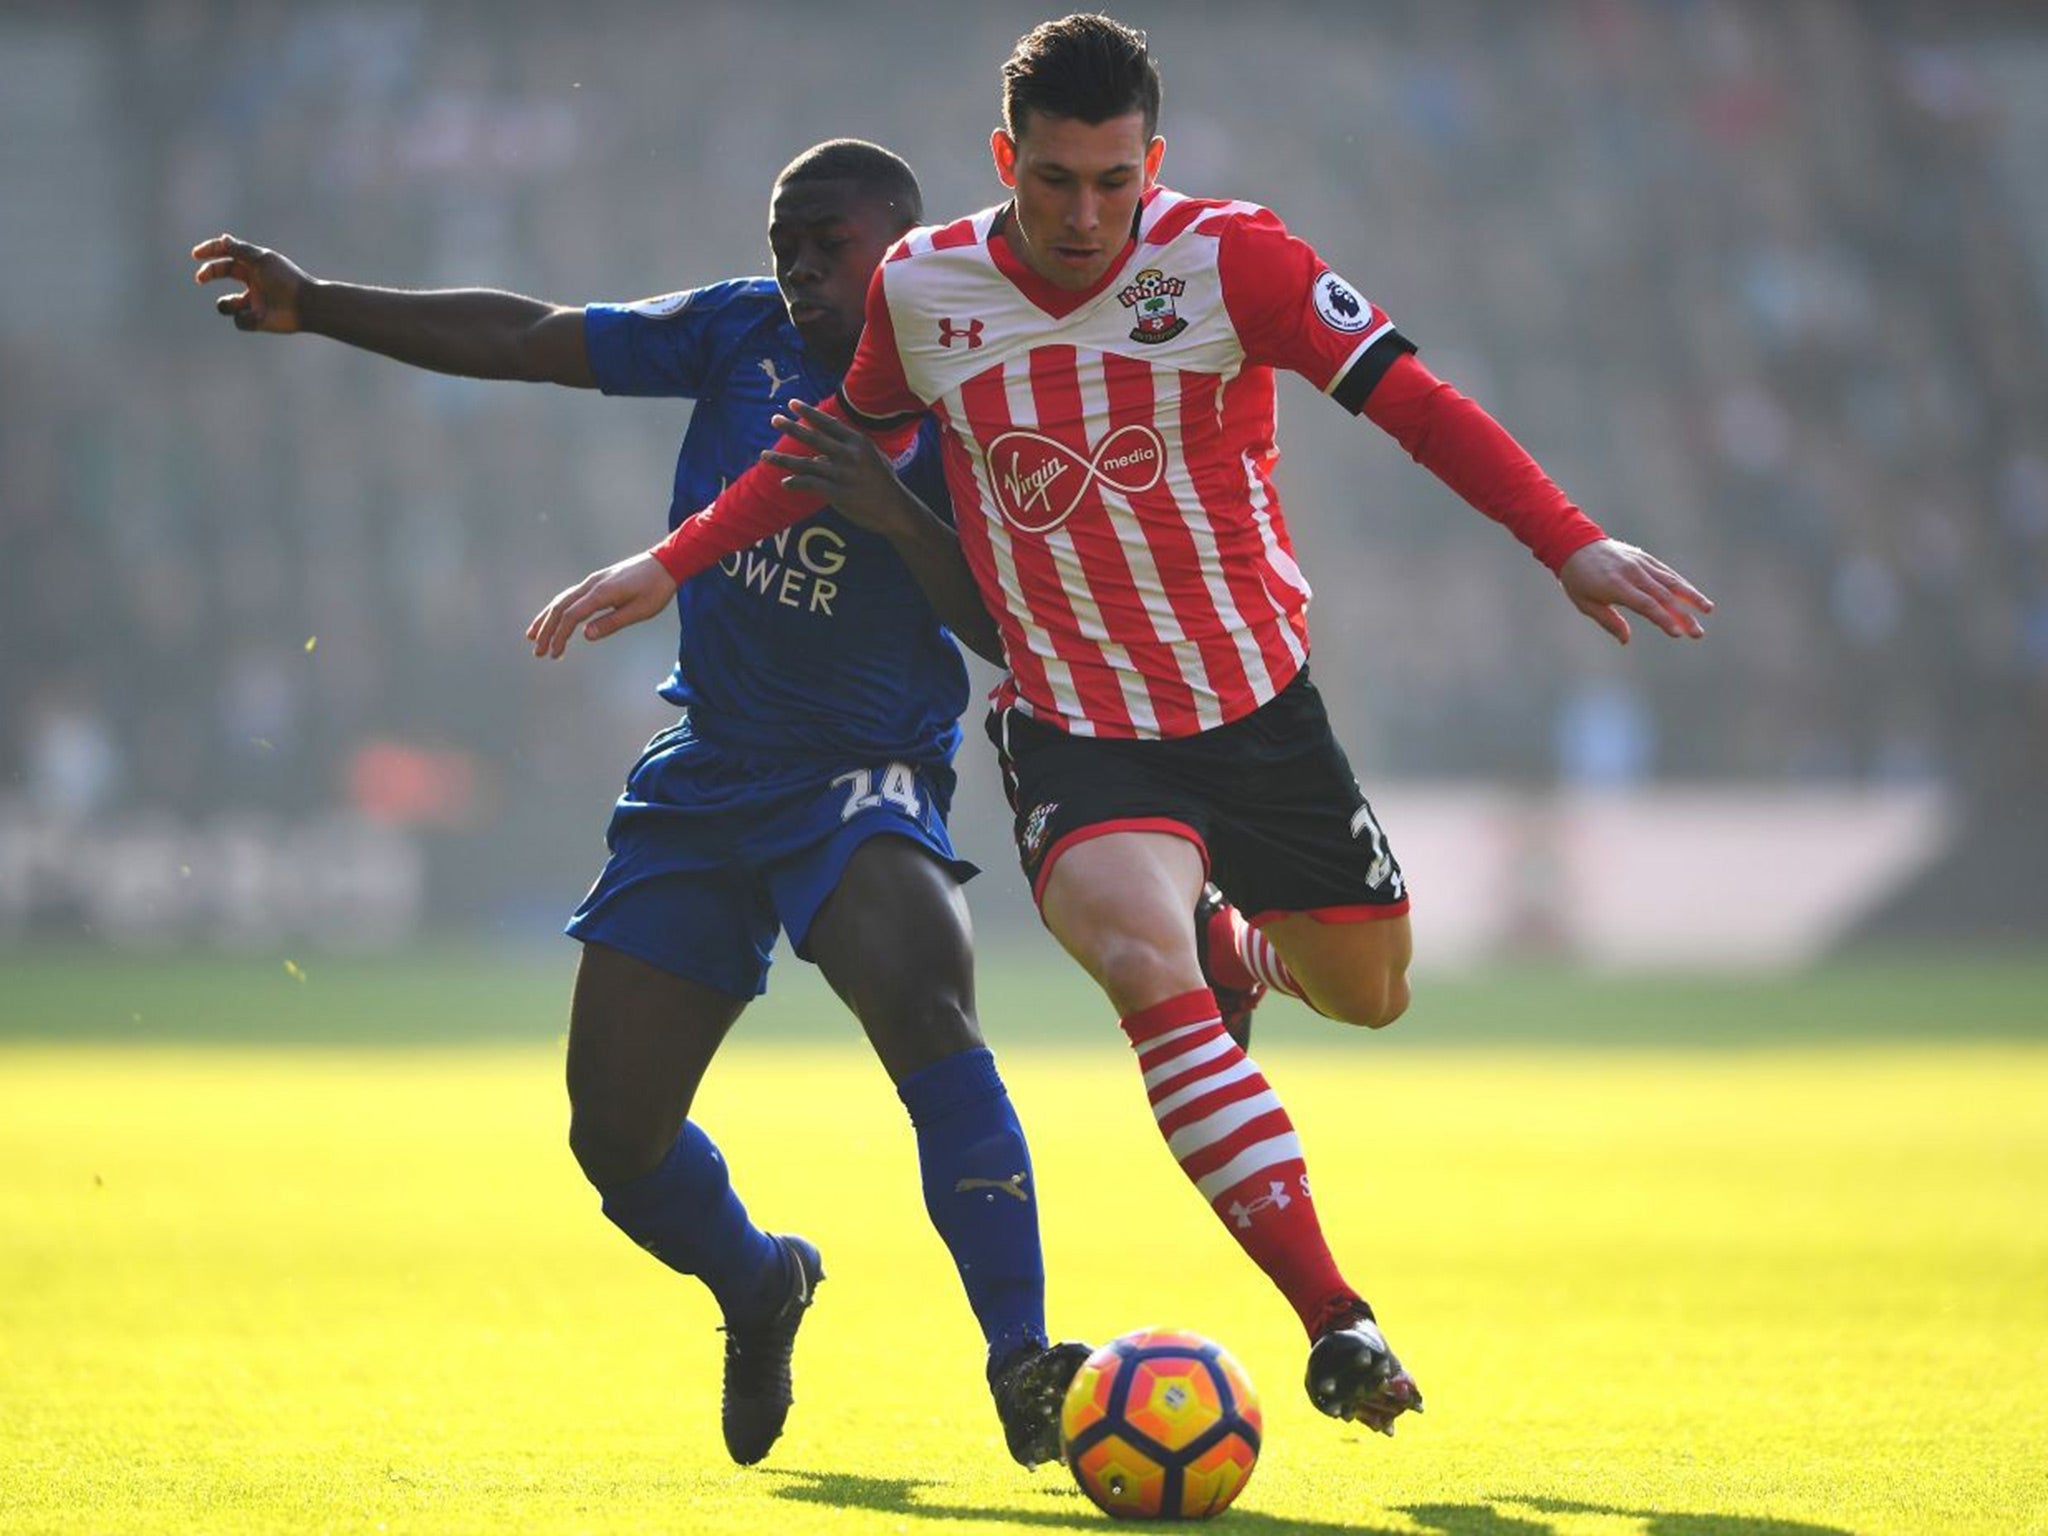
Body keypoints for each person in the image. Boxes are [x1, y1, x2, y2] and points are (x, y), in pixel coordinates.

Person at [527, 16, 1713, 1439]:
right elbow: (824, 449)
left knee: (1370, 992)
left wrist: (1566, 542)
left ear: (1151, 161)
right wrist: (671, 562)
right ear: (1001, 164)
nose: (1084, 215)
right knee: (1141, 962)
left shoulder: (1236, 261)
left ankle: (1245, 946)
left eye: (1111, 181)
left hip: (1255, 707)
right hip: (1075, 719)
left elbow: (1416, 403)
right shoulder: (928, 286)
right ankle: (1337, 1320)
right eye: (1052, 182)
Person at [189, 138, 1088, 1470]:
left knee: (924, 1002)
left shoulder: (978, 392)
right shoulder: (738, 329)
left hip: (859, 775)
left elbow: (1016, 633)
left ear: (903, 248)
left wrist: (894, 519)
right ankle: (757, 1280)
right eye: (782, 247)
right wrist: (317, 303)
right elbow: (531, 336)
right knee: (613, 1135)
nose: (793, 275)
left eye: (820, 250)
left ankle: (1022, 1356)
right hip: (710, 769)